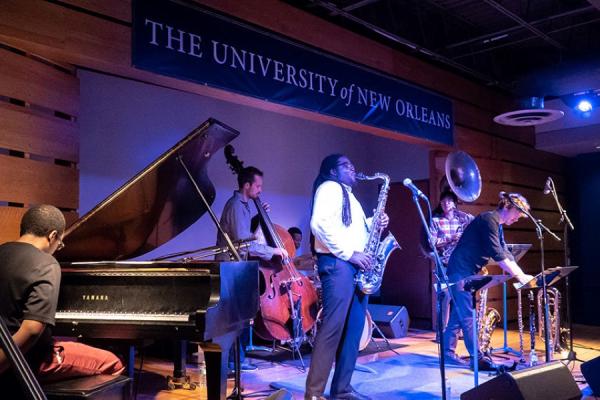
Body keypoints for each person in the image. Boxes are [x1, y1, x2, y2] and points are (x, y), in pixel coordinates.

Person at [0, 205, 124, 396]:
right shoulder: (46, 264)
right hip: (26, 358)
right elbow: (32, 331)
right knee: (112, 362)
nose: (58, 248)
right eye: (60, 243)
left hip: (10, 353)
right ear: (52, 236)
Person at [305, 154, 388, 400]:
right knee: (332, 328)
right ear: (332, 171)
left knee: (354, 330)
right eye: (346, 166)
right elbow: (319, 224)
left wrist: (376, 222)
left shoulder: (349, 196)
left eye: (353, 164)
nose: (353, 168)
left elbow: (355, 231)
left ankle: (341, 389)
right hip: (339, 264)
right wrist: (350, 254)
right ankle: (314, 393)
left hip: (355, 265)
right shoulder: (329, 188)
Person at [443, 193, 534, 370]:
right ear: (509, 207)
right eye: (517, 214)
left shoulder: (497, 224)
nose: (517, 219)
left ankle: (447, 353)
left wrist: (522, 274)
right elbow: (497, 254)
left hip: (466, 269)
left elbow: (504, 252)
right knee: (468, 315)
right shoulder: (488, 219)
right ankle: (478, 358)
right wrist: (520, 276)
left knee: (459, 314)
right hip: (460, 269)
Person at [215, 166, 287, 370]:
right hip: (232, 269)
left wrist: (258, 217)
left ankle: (237, 361)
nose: (260, 190)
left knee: (240, 317)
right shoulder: (236, 206)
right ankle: (232, 362)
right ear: (247, 185)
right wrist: (273, 251)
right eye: (258, 186)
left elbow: (246, 233)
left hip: (239, 269)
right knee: (234, 319)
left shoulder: (244, 206)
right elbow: (244, 243)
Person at [429, 190, 474, 339]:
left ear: (454, 203)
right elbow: (432, 243)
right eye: (443, 201)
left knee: (460, 296)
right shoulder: (435, 221)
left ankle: (457, 332)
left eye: (448, 201)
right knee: (445, 297)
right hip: (444, 263)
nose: (445, 204)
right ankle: (440, 334)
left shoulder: (463, 219)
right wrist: (450, 238)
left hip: (460, 263)